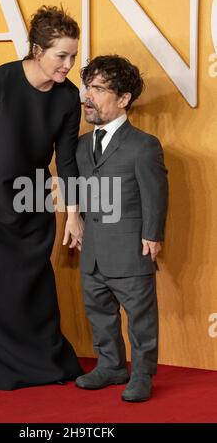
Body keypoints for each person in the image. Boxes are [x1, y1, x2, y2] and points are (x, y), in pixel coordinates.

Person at [0, 5, 84, 390]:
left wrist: (73, 215)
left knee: (32, 281)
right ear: (37, 50)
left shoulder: (68, 97)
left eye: (73, 56)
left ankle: (40, 361)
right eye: (62, 55)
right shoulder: (1, 80)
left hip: (31, 198)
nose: (68, 64)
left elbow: (68, 160)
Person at [75, 55, 168, 402]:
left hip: (131, 249)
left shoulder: (143, 145)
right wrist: (75, 218)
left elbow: (155, 193)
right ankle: (111, 365)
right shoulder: (82, 146)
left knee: (141, 318)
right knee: (99, 312)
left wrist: (153, 234)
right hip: (94, 248)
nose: (89, 96)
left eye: (98, 89)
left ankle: (143, 374)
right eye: (88, 87)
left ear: (124, 98)